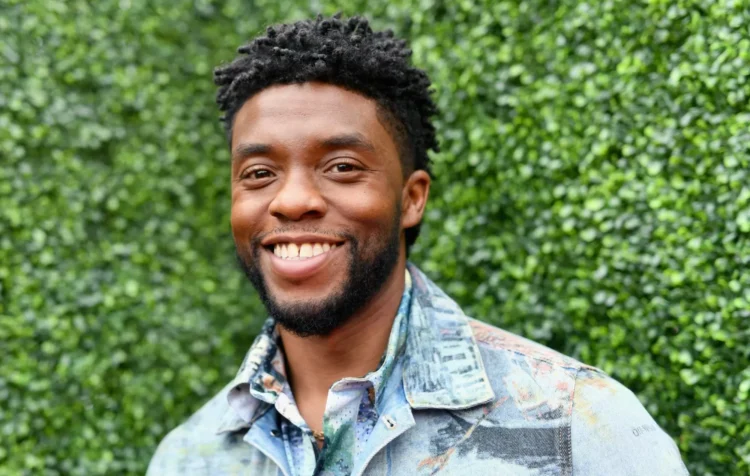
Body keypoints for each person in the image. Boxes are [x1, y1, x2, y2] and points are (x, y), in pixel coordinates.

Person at [147, 14, 688, 476]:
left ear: (411, 198)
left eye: (342, 166)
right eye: (259, 173)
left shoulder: (576, 426)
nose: (291, 201)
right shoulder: (188, 459)